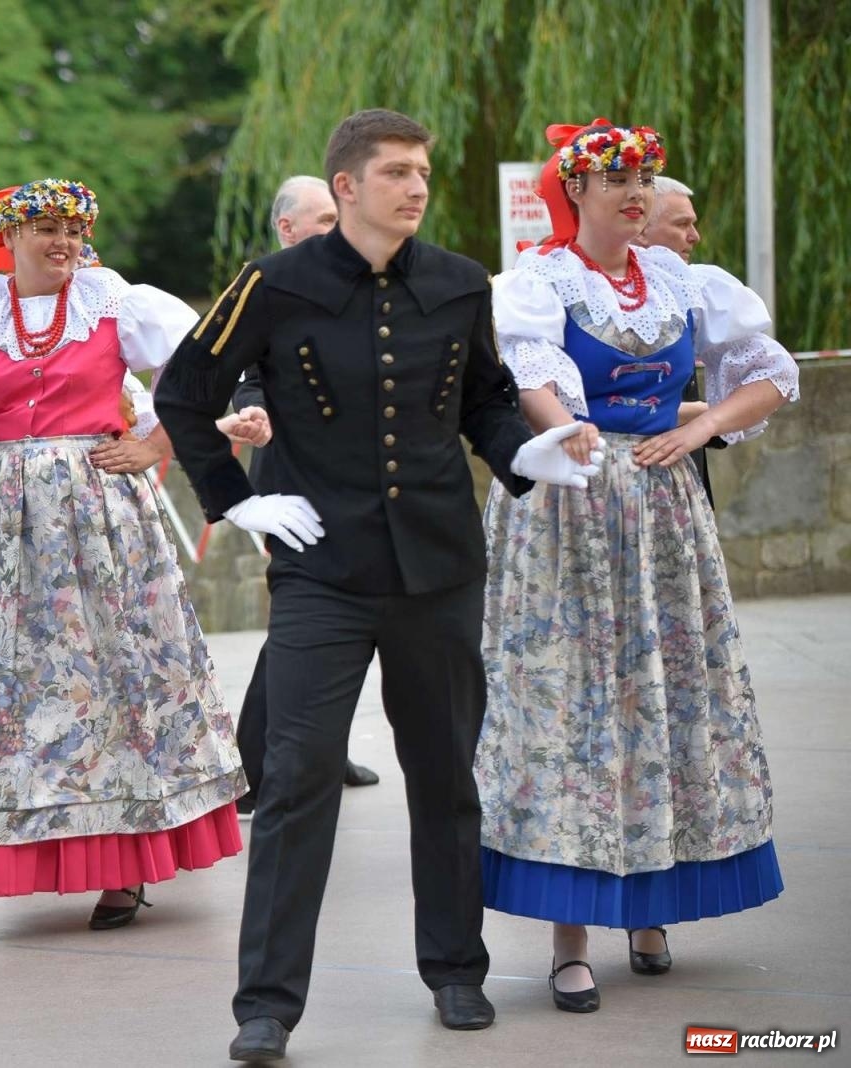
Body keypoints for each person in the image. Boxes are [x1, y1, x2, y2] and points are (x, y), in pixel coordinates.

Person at [155, 109, 604, 1062]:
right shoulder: (272, 285)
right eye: (396, 172)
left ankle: (455, 971)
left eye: (422, 173)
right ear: (347, 185)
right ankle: (266, 1005)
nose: (415, 187)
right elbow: (185, 394)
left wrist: (524, 454)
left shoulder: (456, 281)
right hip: (322, 566)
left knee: (444, 774)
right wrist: (235, 502)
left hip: (440, 566)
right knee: (296, 774)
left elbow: (480, 395)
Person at [476, 120, 797, 1014]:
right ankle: (569, 940)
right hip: (570, 502)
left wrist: (700, 427)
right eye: (614, 175)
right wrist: (564, 427)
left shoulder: (685, 283)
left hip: (660, 506)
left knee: (661, 695)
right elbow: (531, 371)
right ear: (573, 190)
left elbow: (770, 372)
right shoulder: (539, 281)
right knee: (570, 704)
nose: (633, 189)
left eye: (642, 176)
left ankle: (651, 910)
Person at [0, 179, 247, 938]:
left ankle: (125, 867)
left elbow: (204, 371)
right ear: (7, 236)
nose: (63, 242)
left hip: (100, 517)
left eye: (73, 228)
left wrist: (154, 444)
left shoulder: (116, 301)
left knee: (115, 679)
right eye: (44, 227)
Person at [233, 176, 378, 816]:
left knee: (352, 619)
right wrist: (256, 414)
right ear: (287, 228)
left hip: (363, 479)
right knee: (302, 622)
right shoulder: (260, 291)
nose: (334, 227)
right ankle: (252, 766)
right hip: (294, 483)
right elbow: (243, 379)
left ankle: (326, 749)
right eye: (321, 219)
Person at [633, 175, 721, 506]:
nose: (694, 236)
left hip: (683, 481)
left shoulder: (691, 291)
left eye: (693, 224)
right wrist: (698, 413)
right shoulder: (591, 296)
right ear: (639, 227)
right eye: (682, 224)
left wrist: (712, 419)